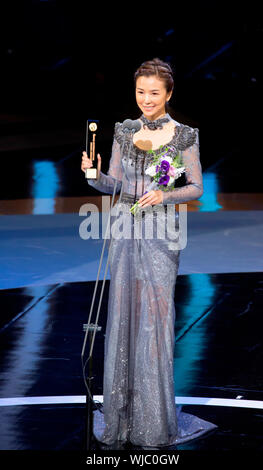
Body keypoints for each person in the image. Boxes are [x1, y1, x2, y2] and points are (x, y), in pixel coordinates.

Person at [81, 58, 217, 449]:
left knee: (156, 318)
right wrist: (94, 175)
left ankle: (153, 422)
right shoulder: (124, 131)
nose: (146, 100)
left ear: (169, 94)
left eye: (154, 93)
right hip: (124, 228)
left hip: (162, 233)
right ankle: (120, 417)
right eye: (141, 92)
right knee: (123, 312)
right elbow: (115, 186)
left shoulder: (184, 136)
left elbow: (196, 187)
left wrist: (165, 193)